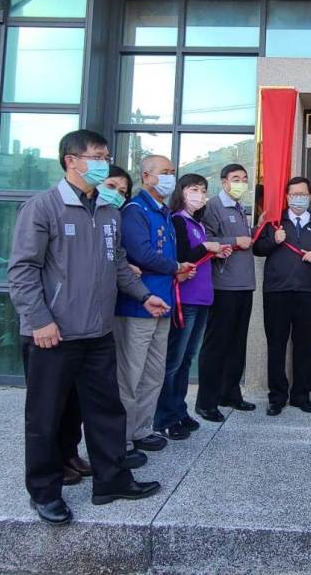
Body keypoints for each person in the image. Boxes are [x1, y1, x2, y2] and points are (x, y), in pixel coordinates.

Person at [8, 130, 166, 525]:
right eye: (96, 156)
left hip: (97, 332)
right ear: (71, 161)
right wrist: (40, 320)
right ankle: (45, 493)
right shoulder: (43, 207)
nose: (103, 163)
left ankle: (112, 480)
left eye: (106, 156)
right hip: (52, 334)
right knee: (46, 417)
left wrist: (144, 294)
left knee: (106, 410)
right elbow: (23, 271)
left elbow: (118, 264)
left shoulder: (109, 210)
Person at [114, 155, 194, 460]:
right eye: (164, 172)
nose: (170, 177)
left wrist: (177, 269)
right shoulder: (135, 210)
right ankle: (120, 440)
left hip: (164, 304)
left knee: (154, 373)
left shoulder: (164, 212)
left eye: (172, 172)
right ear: (146, 177)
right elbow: (141, 253)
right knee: (130, 376)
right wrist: (176, 266)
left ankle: (141, 429)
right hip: (138, 305)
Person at [153, 174, 230, 440]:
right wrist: (206, 246)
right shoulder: (177, 220)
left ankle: (179, 410)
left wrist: (214, 251)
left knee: (186, 360)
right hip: (184, 299)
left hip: (202, 298)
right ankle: (164, 417)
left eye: (203, 190)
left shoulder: (197, 223)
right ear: (181, 192)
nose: (200, 194)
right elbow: (183, 256)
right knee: (173, 362)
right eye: (194, 189)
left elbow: (197, 255)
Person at [253, 176, 311, 416]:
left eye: (303, 194)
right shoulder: (275, 221)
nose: (298, 198)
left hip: (307, 291)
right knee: (276, 345)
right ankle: (277, 397)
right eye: (294, 194)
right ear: (286, 196)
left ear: (309, 196)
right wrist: (274, 240)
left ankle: (301, 396)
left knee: (305, 346)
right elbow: (257, 248)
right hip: (277, 291)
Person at [196, 163, 257, 422]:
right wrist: (234, 242)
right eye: (235, 178)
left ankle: (230, 393)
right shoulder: (213, 206)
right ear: (224, 182)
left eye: (244, 178)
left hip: (244, 284)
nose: (240, 182)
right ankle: (206, 402)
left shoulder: (240, 208)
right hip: (223, 286)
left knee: (237, 344)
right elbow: (203, 241)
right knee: (216, 345)